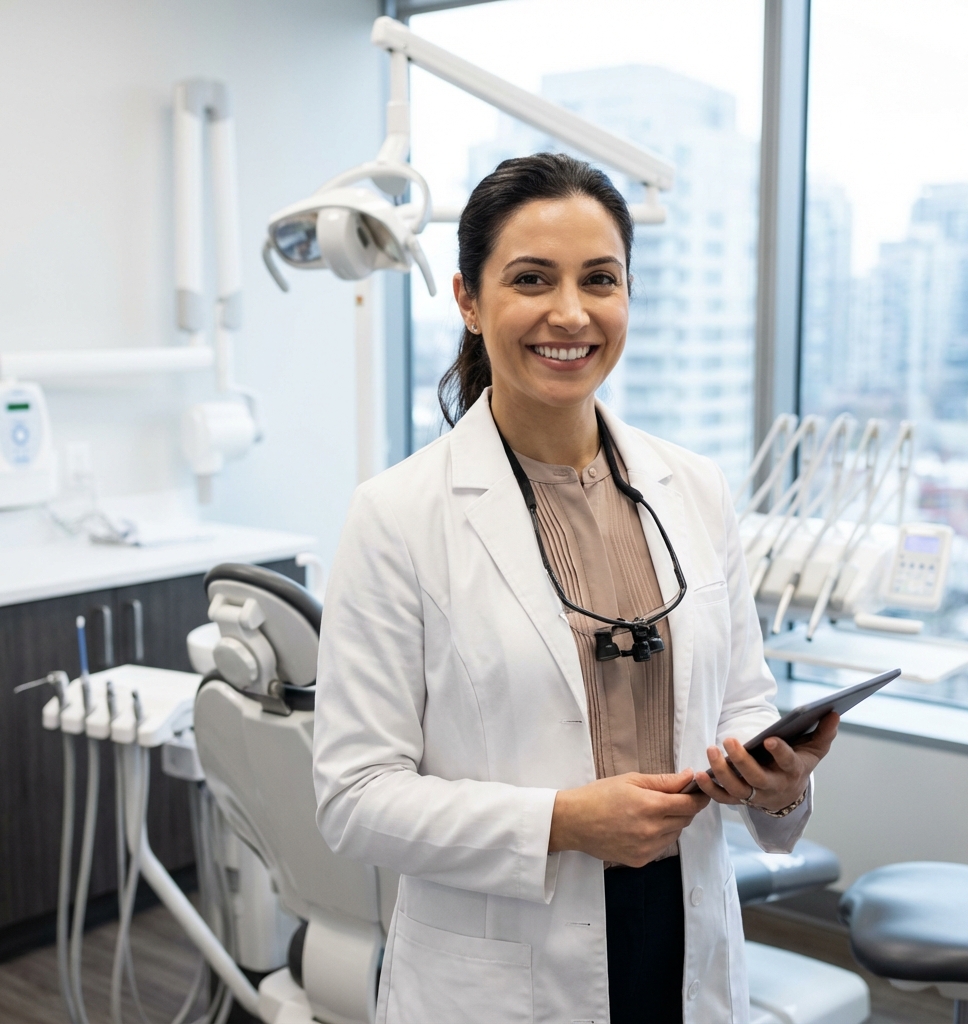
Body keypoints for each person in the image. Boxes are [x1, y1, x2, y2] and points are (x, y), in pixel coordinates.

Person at [312, 153, 838, 1024]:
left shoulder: (693, 488)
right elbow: (353, 798)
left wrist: (777, 779)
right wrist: (559, 821)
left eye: (600, 279)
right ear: (469, 302)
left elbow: (743, 701)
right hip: (503, 968)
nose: (570, 312)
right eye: (531, 279)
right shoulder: (399, 515)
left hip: (682, 943)